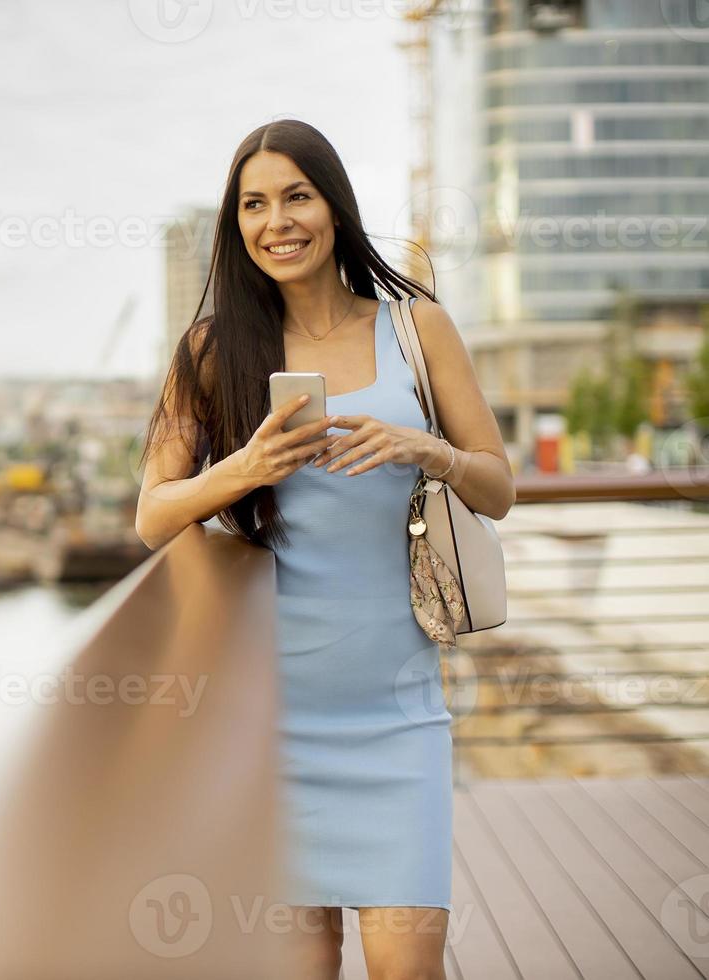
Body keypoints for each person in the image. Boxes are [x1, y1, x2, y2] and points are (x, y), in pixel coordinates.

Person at [134, 118, 515, 980]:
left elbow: (498, 487)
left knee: (408, 969)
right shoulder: (209, 353)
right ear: (237, 226)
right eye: (254, 204)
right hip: (267, 720)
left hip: (400, 712)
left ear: (334, 206)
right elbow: (154, 516)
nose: (278, 221)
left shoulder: (418, 328)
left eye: (296, 196)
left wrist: (429, 452)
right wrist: (246, 466)